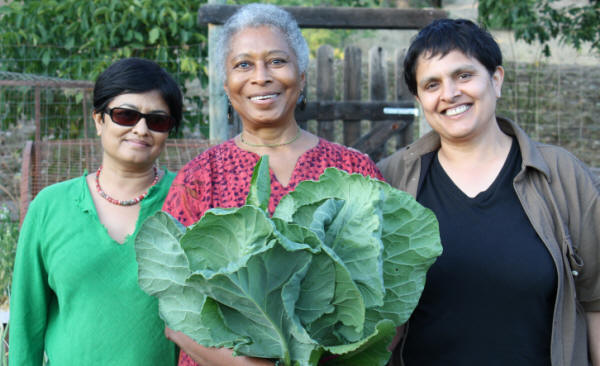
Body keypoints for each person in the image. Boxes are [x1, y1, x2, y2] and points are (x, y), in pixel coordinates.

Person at [162, 4, 384, 366]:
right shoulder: (200, 177)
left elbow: (386, 293)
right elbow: (173, 306)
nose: (261, 76)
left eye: (277, 61)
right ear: (225, 83)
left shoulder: (352, 169)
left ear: (303, 74)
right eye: (243, 64)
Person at [377, 18, 600, 366]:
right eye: (432, 84)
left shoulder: (562, 175)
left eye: (464, 75)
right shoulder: (391, 181)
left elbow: (596, 303)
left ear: (496, 80)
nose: (449, 94)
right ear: (420, 98)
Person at [9, 58, 182, 365]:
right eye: (125, 115)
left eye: (157, 121)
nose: (141, 129)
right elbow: (26, 321)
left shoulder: (188, 202)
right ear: (99, 120)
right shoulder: (50, 207)